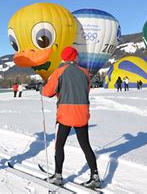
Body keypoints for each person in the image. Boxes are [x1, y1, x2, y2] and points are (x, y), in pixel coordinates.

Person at [41, 46, 101, 189]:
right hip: (82, 113)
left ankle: (58, 176)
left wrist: (42, 89)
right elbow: (87, 90)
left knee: (59, 145)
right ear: (74, 57)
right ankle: (95, 177)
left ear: (64, 58)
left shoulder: (59, 72)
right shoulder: (85, 73)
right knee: (86, 145)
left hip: (65, 114)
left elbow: (48, 92)